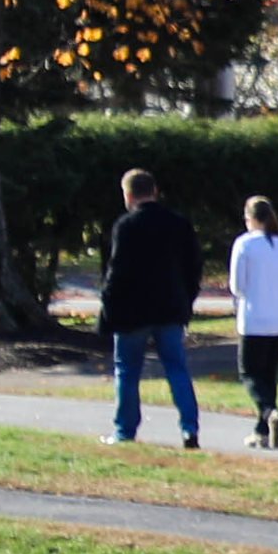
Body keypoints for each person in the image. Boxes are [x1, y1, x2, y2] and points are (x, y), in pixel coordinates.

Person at [99, 166, 206, 446]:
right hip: (170, 306)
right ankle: (189, 428)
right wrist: (187, 300)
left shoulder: (126, 226)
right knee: (176, 368)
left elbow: (117, 270)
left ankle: (125, 431)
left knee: (127, 370)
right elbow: (193, 267)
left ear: (129, 195)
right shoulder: (178, 223)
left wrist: (108, 305)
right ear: (154, 191)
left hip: (133, 310)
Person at [225, 194, 278, 447]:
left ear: (250, 219)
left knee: (250, 373)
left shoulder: (245, 244)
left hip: (255, 319)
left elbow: (237, 286)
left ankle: (269, 412)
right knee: (268, 374)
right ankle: (262, 430)